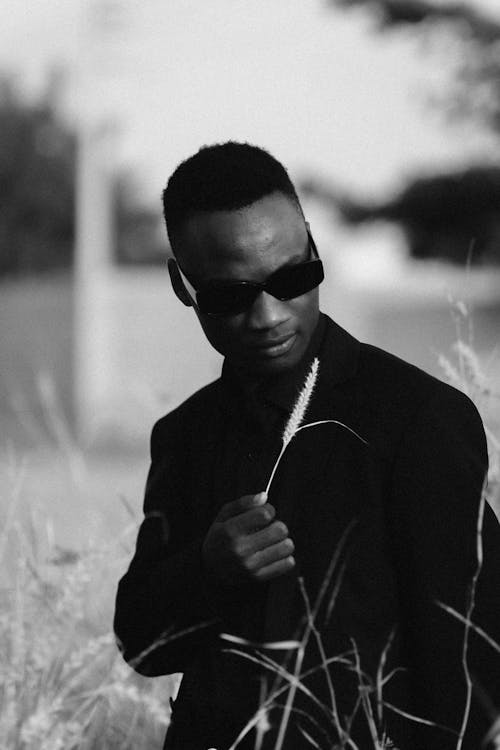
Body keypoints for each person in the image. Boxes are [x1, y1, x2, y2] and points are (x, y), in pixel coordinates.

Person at [114, 142, 500, 750]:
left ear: (316, 251)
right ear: (182, 286)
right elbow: (140, 640)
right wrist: (208, 571)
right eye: (232, 295)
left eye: (294, 278)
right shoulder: (185, 436)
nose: (269, 316)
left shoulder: (420, 420)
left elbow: (467, 671)